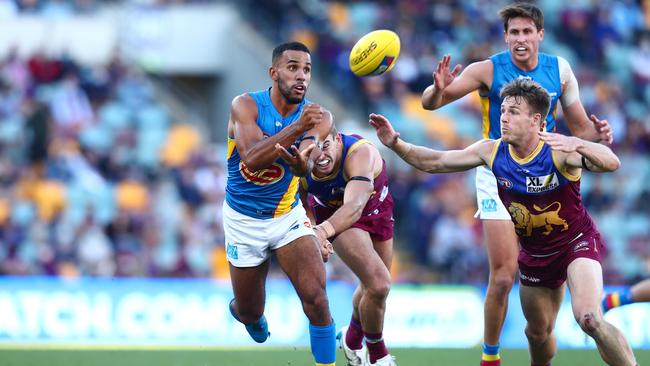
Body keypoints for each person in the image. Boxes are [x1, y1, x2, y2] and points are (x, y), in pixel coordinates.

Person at [372, 78, 638, 366]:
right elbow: (436, 162)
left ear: (536, 120)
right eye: (503, 111)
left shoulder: (560, 150)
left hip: (576, 243)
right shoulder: (491, 151)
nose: (504, 117)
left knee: (589, 319)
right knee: (537, 334)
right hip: (535, 254)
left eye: (513, 112)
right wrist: (396, 144)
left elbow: (612, 162)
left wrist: (579, 143)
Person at [420, 3, 613, 364]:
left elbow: (581, 127)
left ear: (540, 34)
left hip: (547, 173)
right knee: (504, 276)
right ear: (505, 36)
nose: (520, 39)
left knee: (540, 307)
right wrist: (436, 90)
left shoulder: (561, 70)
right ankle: (490, 357)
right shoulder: (488, 69)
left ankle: (543, 334)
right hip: (497, 171)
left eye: (527, 32)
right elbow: (432, 103)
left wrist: (597, 135)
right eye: (513, 33)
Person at [224, 41, 336, 366]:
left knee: (317, 298)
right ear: (274, 73)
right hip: (242, 220)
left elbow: (309, 161)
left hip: (286, 217)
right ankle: (247, 314)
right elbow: (254, 159)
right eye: (293, 68)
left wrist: (305, 165)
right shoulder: (245, 106)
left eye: (307, 70)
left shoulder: (319, 116)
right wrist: (298, 127)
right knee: (250, 311)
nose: (302, 76)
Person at [282, 122, 396, 366]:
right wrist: (312, 230)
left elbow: (355, 205)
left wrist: (319, 233)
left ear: (338, 140)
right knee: (379, 284)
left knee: (373, 287)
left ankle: (352, 338)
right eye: (313, 149)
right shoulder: (300, 168)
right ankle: (378, 354)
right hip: (339, 220)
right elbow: (302, 207)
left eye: (326, 145)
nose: (321, 155)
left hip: (375, 211)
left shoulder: (360, 153)